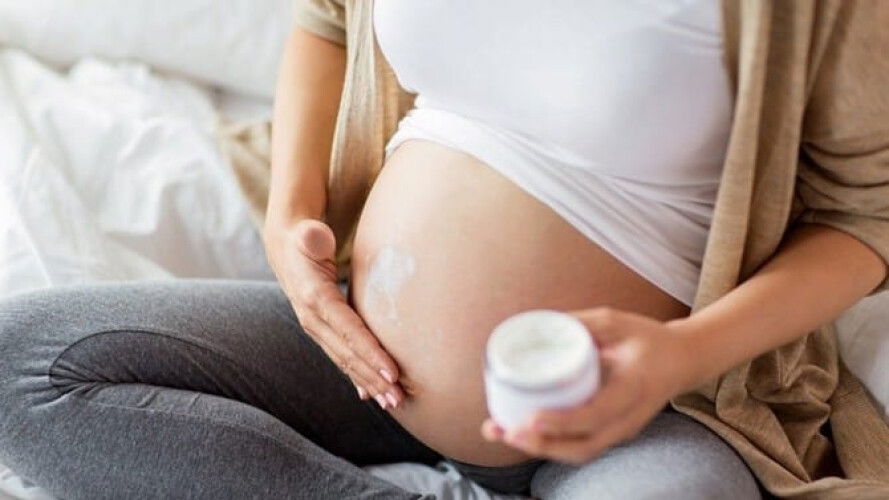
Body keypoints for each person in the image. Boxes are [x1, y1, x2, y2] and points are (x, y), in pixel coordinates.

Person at [1, 1, 888, 499]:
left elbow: (864, 212)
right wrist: (289, 214)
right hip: (359, 360)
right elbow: (327, 19)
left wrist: (681, 354)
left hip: (641, 409)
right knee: (24, 366)